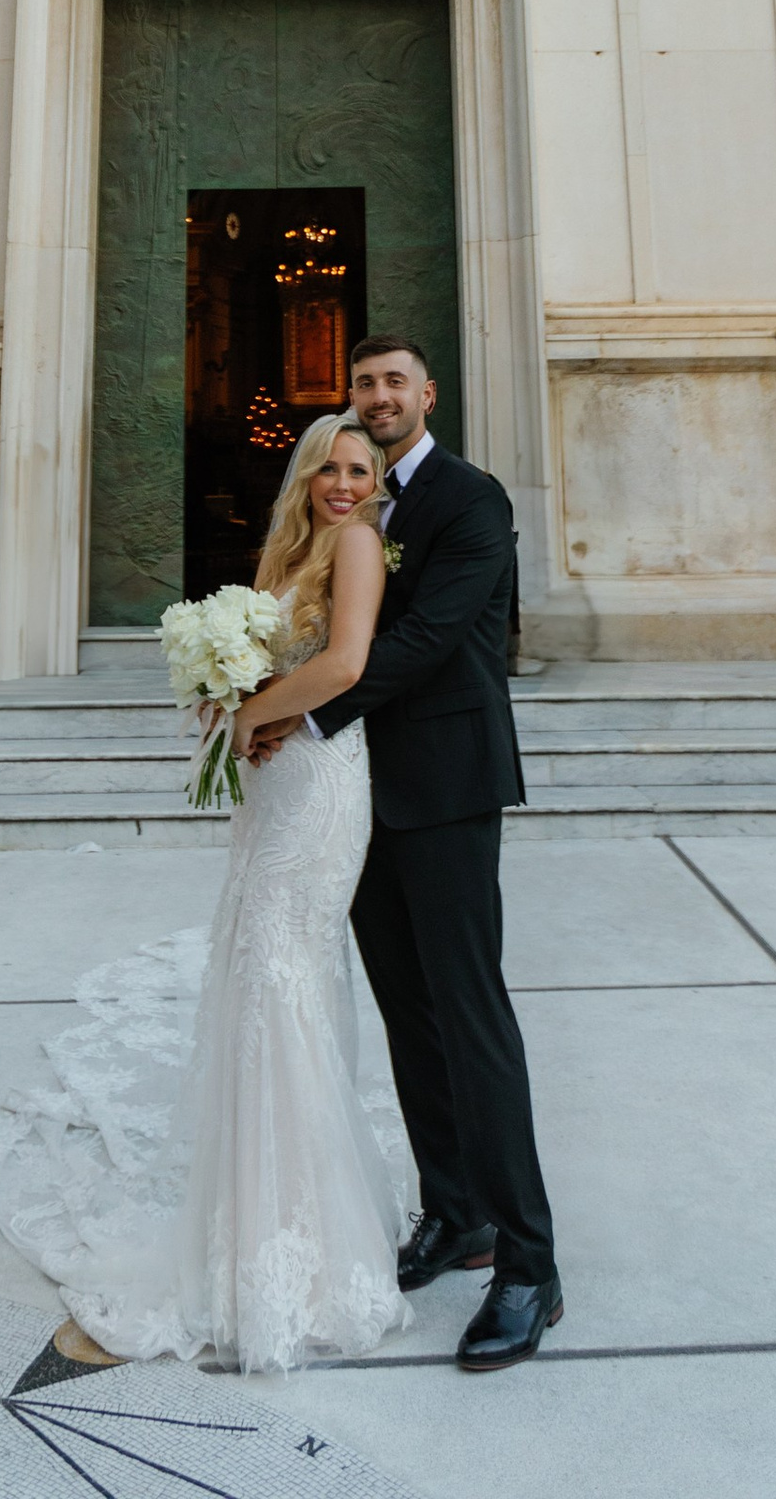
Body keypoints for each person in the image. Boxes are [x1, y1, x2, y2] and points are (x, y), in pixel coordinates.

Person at [0, 410, 411, 1373]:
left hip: (322, 789)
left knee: (280, 981)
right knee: (255, 980)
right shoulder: (290, 551)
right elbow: (273, 657)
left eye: (360, 470)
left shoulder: (360, 546)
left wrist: (251, 708)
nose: (343, 483)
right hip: (274, 783)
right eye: (329, 468)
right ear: (304, 473)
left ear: (378, 483)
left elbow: (344, 665)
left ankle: (296, 1253)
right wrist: (225, 697)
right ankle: (252, 1220)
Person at [234, 336, 561, 1373]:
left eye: (393, 384)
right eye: (363, 384)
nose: (377, 398)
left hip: (446, 786)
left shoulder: (468, 500)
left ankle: (528, 1265)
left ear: (427, 395)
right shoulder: (352, 504)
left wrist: (297, 715)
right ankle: (453, 1212)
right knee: (407, 1012)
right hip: (360, 800)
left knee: (469, 1017)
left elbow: (417, 644)